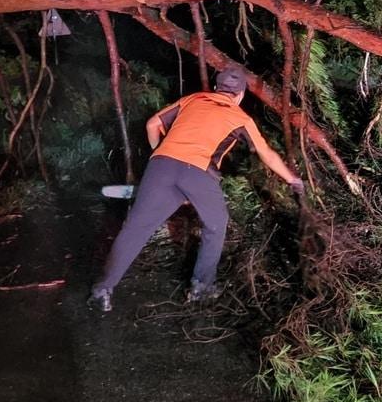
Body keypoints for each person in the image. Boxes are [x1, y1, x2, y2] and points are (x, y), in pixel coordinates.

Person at [88, 65, 303, 312]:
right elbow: (267, 154)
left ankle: (102, 291)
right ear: (241, 95)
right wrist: (292, 180)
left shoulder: (193, 99)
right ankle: (202, 287)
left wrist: (159, 154)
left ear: (216, 88)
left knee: (136, 228)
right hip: (198, 172)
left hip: (161, 167)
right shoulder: (240, 117)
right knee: (216, 223)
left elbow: (152, 124)